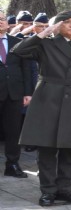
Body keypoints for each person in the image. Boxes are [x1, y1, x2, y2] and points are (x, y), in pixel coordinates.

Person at [13, 11, 71, 206]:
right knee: (47, 149)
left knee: (70, 149)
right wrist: (44, 32)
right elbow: (18, 51)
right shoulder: (45, 45)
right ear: (57, 26)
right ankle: (48, 191)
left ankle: (65, 189)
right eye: (67, 22)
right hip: (48, 100)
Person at [0, 11, 32, 178]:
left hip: (14, 93)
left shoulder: (18, 43)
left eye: (3, 19)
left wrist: (28, 92)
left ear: (8, 23)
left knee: (14, 131)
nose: (0, 22)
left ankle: (12, 164)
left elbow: (26, 69)